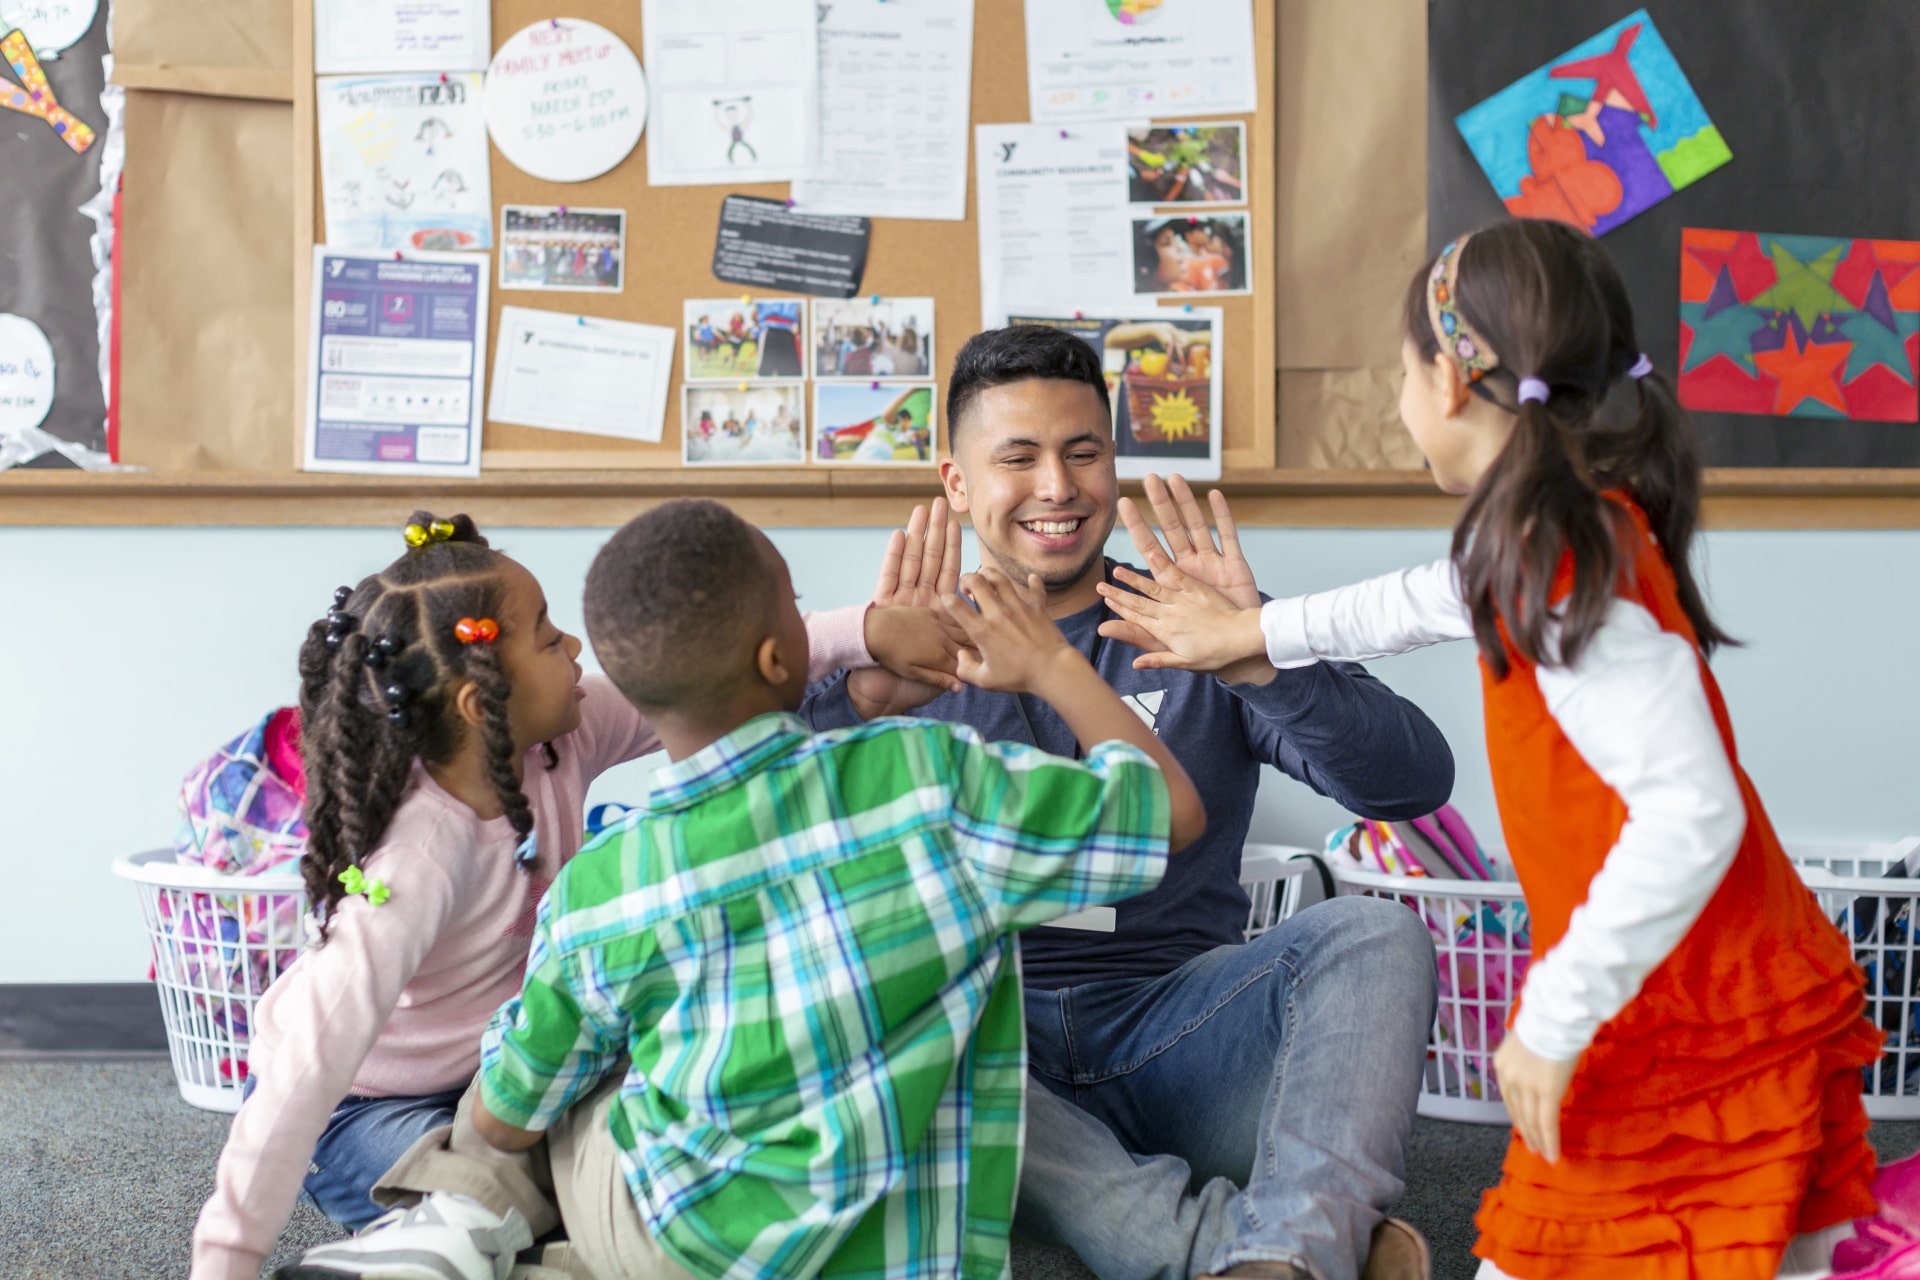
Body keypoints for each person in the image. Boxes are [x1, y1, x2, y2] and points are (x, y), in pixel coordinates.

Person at [1092, 219, 1883, 1280]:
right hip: (1682, 989)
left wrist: (1553, 1016)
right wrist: (1253, 634)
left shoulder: (1566, 571)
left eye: (1403, 367)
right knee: (1757, 1239)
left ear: (1451, 380)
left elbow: (1694, 812)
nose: (1399, 394)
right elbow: (1411, 600)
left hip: (1690, 1003)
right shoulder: (1534, 536)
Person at [277, 497, 1205, 1280]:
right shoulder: (934, 781)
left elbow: (508, 1109)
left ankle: (461, 1232)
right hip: (911, 1257)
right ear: (779, 659)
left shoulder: (606, 889)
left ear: (629, 686)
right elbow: (1169, 811)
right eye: (798, 613)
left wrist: (495, 1122)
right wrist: (1053, 662)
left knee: (570, 1084)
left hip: (679, 1241)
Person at [802, 325, 1453, 1280]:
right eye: (1017, 458)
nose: (1058, 488)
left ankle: (1280, 1244)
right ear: (955, 483)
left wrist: (1258, 654)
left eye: (1083, 452)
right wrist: (856, 700)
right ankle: (1254, 1251)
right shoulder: (895, 659)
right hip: (984, 1051)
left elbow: (1412, 783)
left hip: (1180, 1036)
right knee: (869, 1026)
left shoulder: (1192, 621)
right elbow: (752, 859)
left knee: (1373, 933)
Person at [187, 513, 967, 1280]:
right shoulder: (419, 857)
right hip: (365, 1110)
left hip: (508, 1072)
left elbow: (702, 676)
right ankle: (424, 1244)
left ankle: (469, 1239)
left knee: (643, 1173)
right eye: (547, 635)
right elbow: (302, 1071)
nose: (575, 649)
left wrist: (870, 632)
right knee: (536, 1204)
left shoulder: (562, 739)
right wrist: (226, 1262)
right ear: (478, 701)